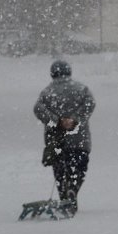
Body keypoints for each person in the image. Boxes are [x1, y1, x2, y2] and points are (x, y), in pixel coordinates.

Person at [33, 59, 95, 215]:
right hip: (79, 137)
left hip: (57, 139)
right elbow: (90, 104)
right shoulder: (82, 89)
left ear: (52, 73)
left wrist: (57, 121)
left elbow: (38, 109)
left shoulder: (47, 92)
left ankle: (64, 194)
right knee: (80, 166)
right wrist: (75, 119)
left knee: (60, 169)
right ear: (69, 72)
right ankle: (74, 187)